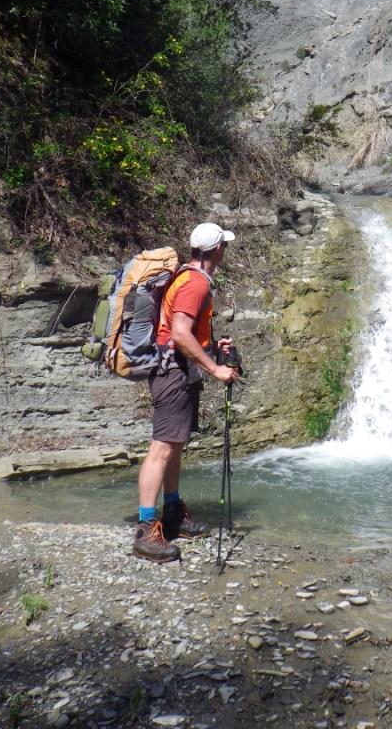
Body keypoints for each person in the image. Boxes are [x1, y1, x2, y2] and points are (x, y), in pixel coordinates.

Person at [133, 222, 240, 563]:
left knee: (174, 446)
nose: (226, 250)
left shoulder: (187, 276)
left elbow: (186, 330)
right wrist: (215, 369)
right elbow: (179, 333)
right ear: (215, 251)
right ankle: (146, 529)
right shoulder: (195, 282)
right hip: (173, 374)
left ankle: (173, 513)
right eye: (224, 245)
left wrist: (211, 345)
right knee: (161, 448)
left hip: (179, 372)